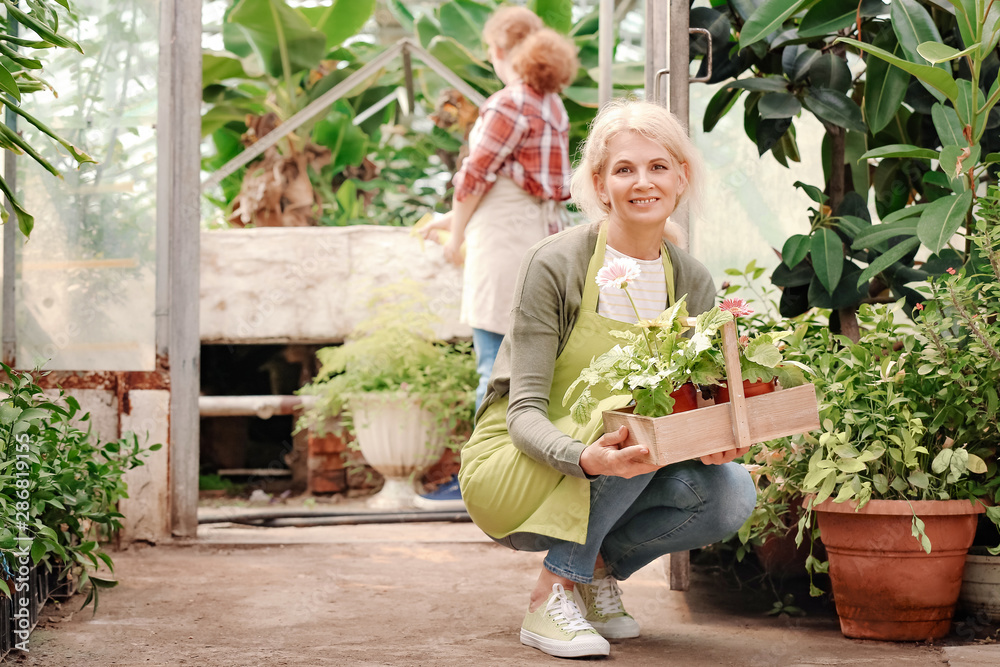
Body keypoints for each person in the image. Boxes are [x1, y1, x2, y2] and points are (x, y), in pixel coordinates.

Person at [457, 99, 757, 659]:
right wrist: (585, 458)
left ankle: (593, 571)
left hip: (617, 466)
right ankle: (553, 592)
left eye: (658, 166)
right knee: (637, 410)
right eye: (624, 169)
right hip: (518, 467)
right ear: (599, 183)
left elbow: (688, 406)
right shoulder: (556, 263)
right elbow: (522, 412)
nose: (643, 182)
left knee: (729, 492)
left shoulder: (691, 280)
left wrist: (714, 439)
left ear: (681, 177)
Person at [417, 6, 578, 510]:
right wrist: (451, 219)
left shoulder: (509, 103)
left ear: (498, 51)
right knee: (534, 364)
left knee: (494, 363)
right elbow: (531, 184)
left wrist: (453, 236)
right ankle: (525, 482)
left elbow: (475, 177)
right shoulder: (553, 105)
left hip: (503, 245)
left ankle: (481, 485)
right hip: (540, 238)